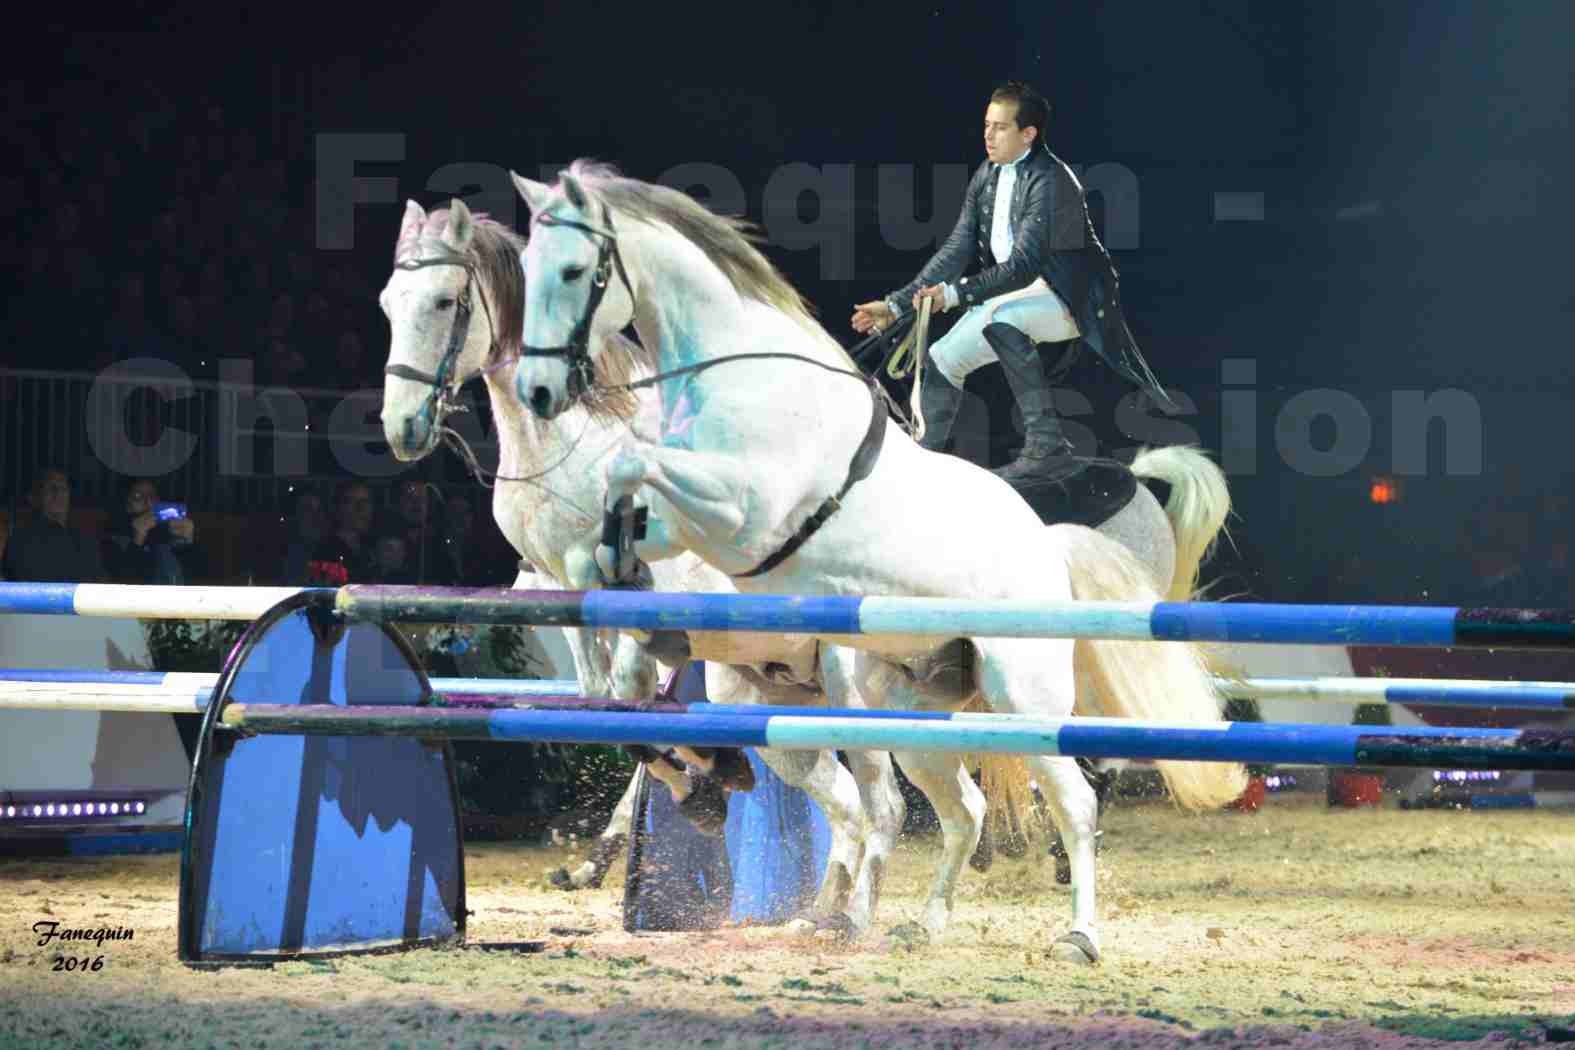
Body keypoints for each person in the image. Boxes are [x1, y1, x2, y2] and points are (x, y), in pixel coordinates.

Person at [852, 81, 1167, 517]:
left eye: (1000, 128)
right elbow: (957, 249)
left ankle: (1046, 447)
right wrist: (896, 304)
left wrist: (955, 294)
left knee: (1005, 322)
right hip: (1015, 293)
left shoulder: (1052, 180)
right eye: (986, 125)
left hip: (1068, 296)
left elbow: (1022, 264)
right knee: (943, 356)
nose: (988, 135)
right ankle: (920, 465)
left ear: (1028, 134)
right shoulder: (987, 175)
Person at [1, 467, 107, 583]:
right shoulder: (21, 540)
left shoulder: (85, 540)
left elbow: (100, 582)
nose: (58, 493)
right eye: (50, 488)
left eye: (63, 487)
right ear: (34, 497)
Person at [102, 478, 203, 585]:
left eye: (151, 496)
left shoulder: (170, 536)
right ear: (127, 505)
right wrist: (138, 540)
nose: (147, 501)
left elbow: (198, 579)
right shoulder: (113, 539)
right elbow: (123, 582)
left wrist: (188, 541)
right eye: (138, 497)